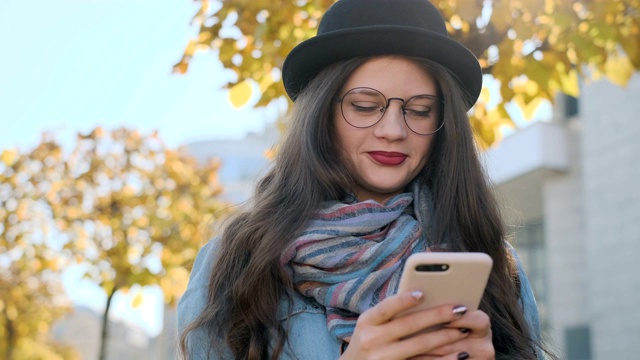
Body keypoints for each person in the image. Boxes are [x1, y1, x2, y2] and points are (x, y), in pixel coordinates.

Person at [178, 0, 555, 359]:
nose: (393, 130)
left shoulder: (489, 259)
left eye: (420, 111)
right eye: (364, 106)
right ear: (322, 114)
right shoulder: (236, 261)